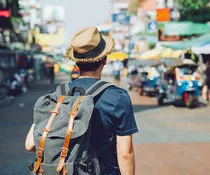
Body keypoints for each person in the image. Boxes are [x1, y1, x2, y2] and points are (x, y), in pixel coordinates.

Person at [25, 26, 138, 175]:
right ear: (104, 59)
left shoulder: (57, 96)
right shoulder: (118, 97)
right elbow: (125, 154)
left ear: (76, 62)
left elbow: (30, 144)